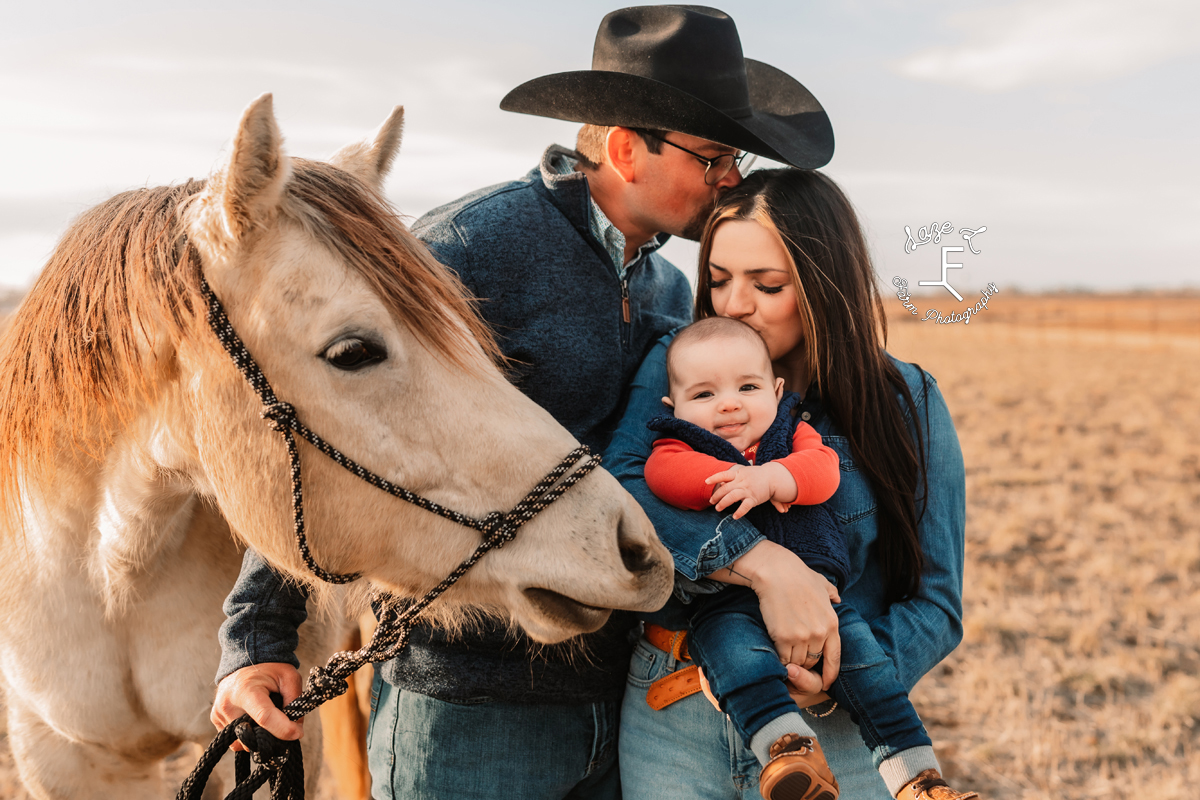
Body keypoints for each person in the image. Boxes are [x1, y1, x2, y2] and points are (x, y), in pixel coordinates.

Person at [208, 7, 836, 799]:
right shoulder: (469, 249)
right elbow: (333, 426)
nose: (731, 179)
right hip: (471, 714)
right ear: (622, 148)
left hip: (624, 700)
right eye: (712, 157)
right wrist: (256, 637)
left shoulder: (670, 288)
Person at [606, 167, 967, 800]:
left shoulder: (905, 399)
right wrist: (764, 565)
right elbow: (623, 487)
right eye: (717, 279)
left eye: (767, 285)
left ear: (825, 286)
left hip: (842, 734)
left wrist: (834, 666)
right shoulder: (675, 359)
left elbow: (937, 603)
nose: (733, 305)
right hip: (674, 720)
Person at [641, 316, 977, 800]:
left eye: (747, 387)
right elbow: (661, 476)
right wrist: (721, 474)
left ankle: (919, 780)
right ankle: (787, 751)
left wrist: (772, 479)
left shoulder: (791, 433)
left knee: (871, 674)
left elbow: (823, 473)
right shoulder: (679, 444)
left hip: (819, 600)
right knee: (739, 667)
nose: (729, 403)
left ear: (776, 392)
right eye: (704, 395)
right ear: (675, 407)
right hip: (726, 604)